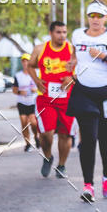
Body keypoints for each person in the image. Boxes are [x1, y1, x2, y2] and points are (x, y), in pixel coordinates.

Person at [67, 1, 107, 202]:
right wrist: (72, 64)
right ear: (88, 17)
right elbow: (75, 56)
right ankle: (88, 186)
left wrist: (104, 57)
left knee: (105, 137)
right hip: (84, 91)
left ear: (105, 18)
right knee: (88, 139)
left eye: (99, 16)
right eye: (92, 15)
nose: (95, 20)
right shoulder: (77, 35)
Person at [27, 21, 75, 179]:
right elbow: (30, 65)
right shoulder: (40, 49)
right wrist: (36, 81)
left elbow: (83, 67)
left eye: (64, 32)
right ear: (51, 33)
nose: (62, 36)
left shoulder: (71, 49)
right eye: (58, 32)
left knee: (65, 135)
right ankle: (48, 157)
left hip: (67, 99)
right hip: (46, 98)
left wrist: (72, 78)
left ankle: (61, 165)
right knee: (46, 133)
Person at [12, 53, 40, 151]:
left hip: (32, 101)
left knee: (33, 122)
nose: (25, 63)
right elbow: (14, 90)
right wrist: (20, 92)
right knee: (24, 123)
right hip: (22, 102)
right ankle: (27, 144)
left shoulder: (36, 73)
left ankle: (36, 136)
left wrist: (35, 90)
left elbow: (42, 87)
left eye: (27, 61)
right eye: (23, 61)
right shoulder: (18, 75)